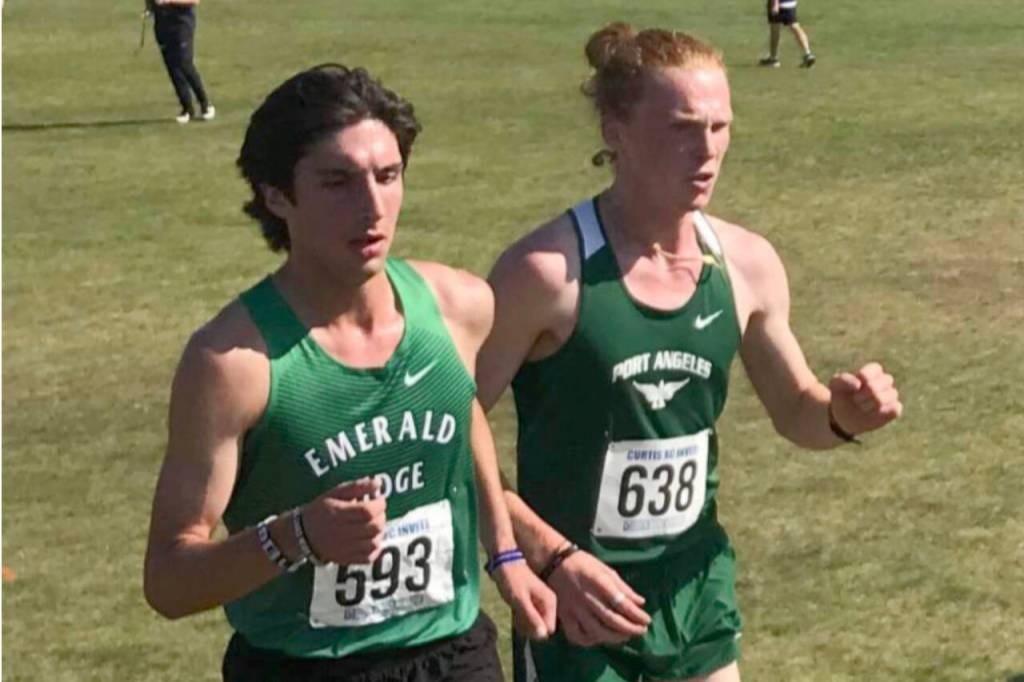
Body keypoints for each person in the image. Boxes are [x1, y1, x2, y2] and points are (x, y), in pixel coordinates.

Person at [477, 22, 901, 682]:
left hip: (696, 589)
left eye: (719, 126)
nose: (707, 150)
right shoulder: (547, 273)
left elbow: (798, 409)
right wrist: (547, 557)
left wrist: (844, 416)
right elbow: (448, 433)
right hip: (579, 605)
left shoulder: (746, 264)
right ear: (615, 132)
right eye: (681, 128)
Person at [143, 63, 556, 682]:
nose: (372, 206)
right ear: (276, 195)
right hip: (301, 669)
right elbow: (169, 581)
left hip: (454, 654)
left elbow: (459, 410)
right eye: (338, 182)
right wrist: (298, 536)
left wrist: (505, 554)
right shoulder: (233, 364)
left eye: (388, 176)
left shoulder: (459, 307)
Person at [149, 0, 214, 122]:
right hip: (162, 25)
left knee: (185, 63)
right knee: (172, 66)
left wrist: (169, 1)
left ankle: (205, 104)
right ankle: (187, 108)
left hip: (181, 23)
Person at [758, 0, 816, 68]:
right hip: (791, 3)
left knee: (775, 28)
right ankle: (807, 54)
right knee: (794, 26)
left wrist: (775, 3)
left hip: (779, 4)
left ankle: (773, 59)